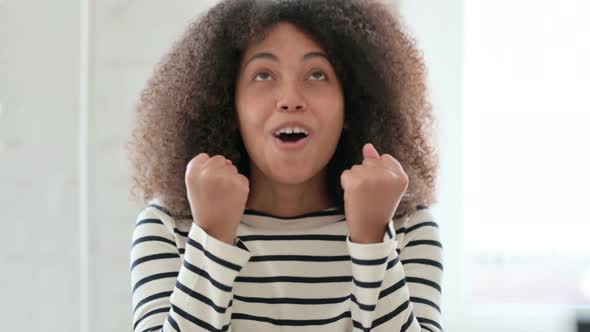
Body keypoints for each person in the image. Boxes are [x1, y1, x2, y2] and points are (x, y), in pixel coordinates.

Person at [127, 0, 443, 331]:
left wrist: (373, 240)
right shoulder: (168, 227)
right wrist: (212, 237)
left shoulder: (407, 227)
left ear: (352, 104)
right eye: (263, 75)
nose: (290, 98)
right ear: (228, 104)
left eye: (317, 74)